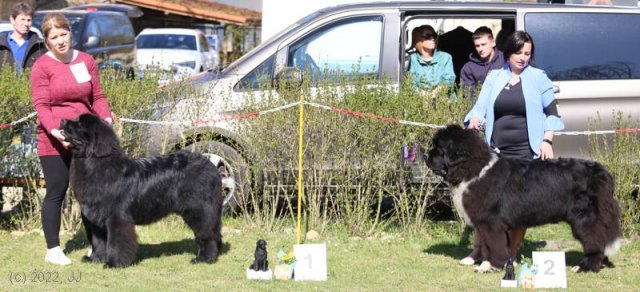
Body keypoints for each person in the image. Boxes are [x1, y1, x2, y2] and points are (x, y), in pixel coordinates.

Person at [462, 31, 564, 266]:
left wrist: (547, 140)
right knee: (486, 205)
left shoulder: (539, 77)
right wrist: (474, 119)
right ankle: (480, 250)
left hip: (525, 153)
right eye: (518, 53)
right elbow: (479, 108)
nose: (523, 58)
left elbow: (552, 115)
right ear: (508, 53)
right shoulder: (494, 77)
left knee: (519, 208)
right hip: (496, 153)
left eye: (527, 53)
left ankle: (512, 253)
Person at [30, 12, 113, 266]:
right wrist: (57, 131)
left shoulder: (86, 61)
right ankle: (53, 250)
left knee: (91, 194)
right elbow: (42, 106)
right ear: (47, 40)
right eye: (54, 37)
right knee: (57, 191)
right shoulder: (41, 66)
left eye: (63, 34)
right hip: (54, 138)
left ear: (70, 33)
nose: (60, 41)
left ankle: (97, 246)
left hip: (86, 138)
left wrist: (106, 119)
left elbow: (97, 96)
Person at [407, 25, 455, 99]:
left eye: (434, 35)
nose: (432, 38)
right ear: (418, 39)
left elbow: (449, 79)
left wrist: (434, 93)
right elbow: (410, 82)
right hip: (419, 101)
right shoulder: (412, 58)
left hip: (444, 101)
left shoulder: (446, 57)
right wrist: (422, 94)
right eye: (427, 36)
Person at [460, 26, 505, 102]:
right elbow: (469, 98)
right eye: (477, 46)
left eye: (483, 44)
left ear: (493, 42)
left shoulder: (505, 60)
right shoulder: (468, 68)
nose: (480, 49)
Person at [0, 2, 47, 73]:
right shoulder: (2, 44)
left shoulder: (39, 46)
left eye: (29, 20)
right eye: (22, 19)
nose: (26, 24)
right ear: (12, 20)